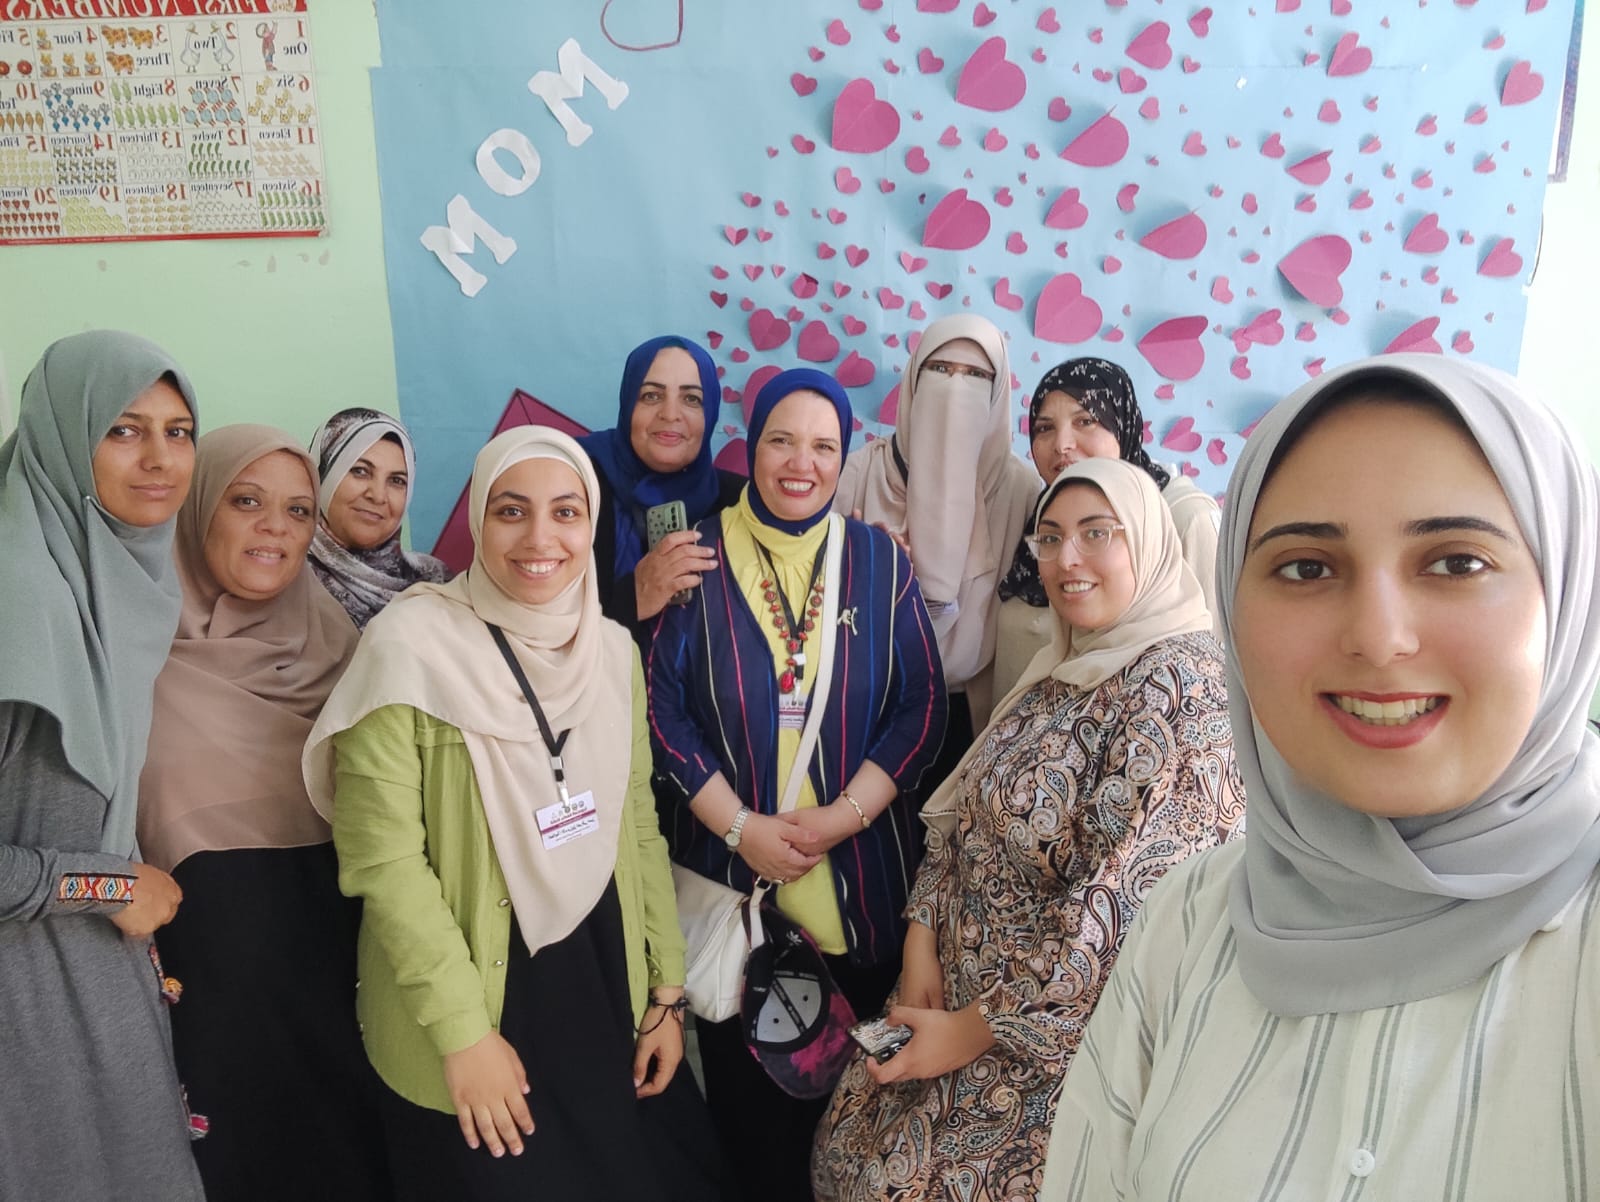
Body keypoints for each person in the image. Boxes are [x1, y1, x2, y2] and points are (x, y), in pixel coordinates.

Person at [1040, 354, 1600, 1199]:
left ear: (1568, 589)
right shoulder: (1190, 922)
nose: (1379, 637)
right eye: (1306, 568)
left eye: (1457, 563)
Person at [304, 427, 728, 1201]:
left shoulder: (611, 652)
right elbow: (384, 863)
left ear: (591, 523)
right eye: (511, 510)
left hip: (600, 981)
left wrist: (667, 992)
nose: (540, 538)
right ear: (478, 519)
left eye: (566, 512)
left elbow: (638, 822)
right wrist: (464, 1035)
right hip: (472, 998)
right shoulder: (407, 646)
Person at [814, 457, 1244, 1202]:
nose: (1067, 559)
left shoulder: (1181, 690)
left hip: (1041, 1058)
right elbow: (966, 813)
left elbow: (1121, 919)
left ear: (1149, 540)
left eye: (1097, 533)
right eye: (1050, 537)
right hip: (948, 1000)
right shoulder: (1063, 667)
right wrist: (921, 942)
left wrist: (968, 1032)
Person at [649, 368, 948, 1202]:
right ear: (751, 445)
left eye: (823, 446)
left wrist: (846, 815)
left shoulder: (879, 561)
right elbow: (661, 709)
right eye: (781, 440)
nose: (800, 463)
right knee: (758, 1144)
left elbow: (923, 705)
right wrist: (739, 826)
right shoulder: (696, 556)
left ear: (843, 456)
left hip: (863, 898)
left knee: (861, 1133)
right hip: (739, 906)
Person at [136, 424, 389, 1200]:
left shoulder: (345, 648)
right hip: (215, 991)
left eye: (298, 510)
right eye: (246, 502)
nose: (275, 527)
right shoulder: (134, 658)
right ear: (199, 508)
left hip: (350, 968)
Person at [0, 330, 206, 1202]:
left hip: (90, 994)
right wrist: (108, 886)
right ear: (61, 435)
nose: (159, 459)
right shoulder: (21, 600)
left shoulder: (112, 585)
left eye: (178, 431)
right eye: (122, 430)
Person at [832, 315, 1040, 754]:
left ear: (998, 390)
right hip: (866, 708)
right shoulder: (861, 474)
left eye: (976, 376)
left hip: (978, 720)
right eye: (940, 369)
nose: (955, 388)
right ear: (914, 379)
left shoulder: (1021, 492)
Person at [994, 358, 1222, 712]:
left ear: (1123, 424)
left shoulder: (1184, 517)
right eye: (1044, 428)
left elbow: (1216, 661)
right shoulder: (1039, 516)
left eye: (1085, 421)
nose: (1062, 444)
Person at [578, 334, 745, 632]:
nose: (670, 414)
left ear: (710, 415)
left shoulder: (740, 503)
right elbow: (539, 620)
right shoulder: (574, 485)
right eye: (651, 396)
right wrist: (633, 598)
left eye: (691, 399)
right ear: (628, 404)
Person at [307, 407, 449, 629]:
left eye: (397, 480)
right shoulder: (283, 576)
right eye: (360, 471)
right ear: (323, 475)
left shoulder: (436, 581)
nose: (378, 496)